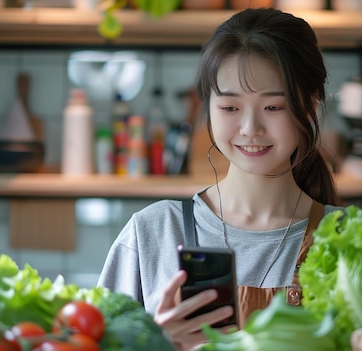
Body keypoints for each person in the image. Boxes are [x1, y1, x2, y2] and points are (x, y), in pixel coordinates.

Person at [97, 7, 341, 351]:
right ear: (207, 107)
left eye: (273, 107)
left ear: (311, 105)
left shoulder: (346, 239)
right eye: (230, 108)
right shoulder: (152, 233)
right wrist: (156, 344)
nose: (250, 129)